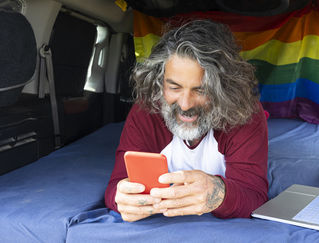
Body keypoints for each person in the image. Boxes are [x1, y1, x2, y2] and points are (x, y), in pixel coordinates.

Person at [105, 19, 269, 221]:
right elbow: (116, 186)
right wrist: (121, 198)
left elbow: (254, 197)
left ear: (225, 89)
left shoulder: (247, 113)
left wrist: (218, 193)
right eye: (174, 87)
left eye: (201, 90)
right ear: (158, 82)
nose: (184, 104)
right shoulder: (145, 110)